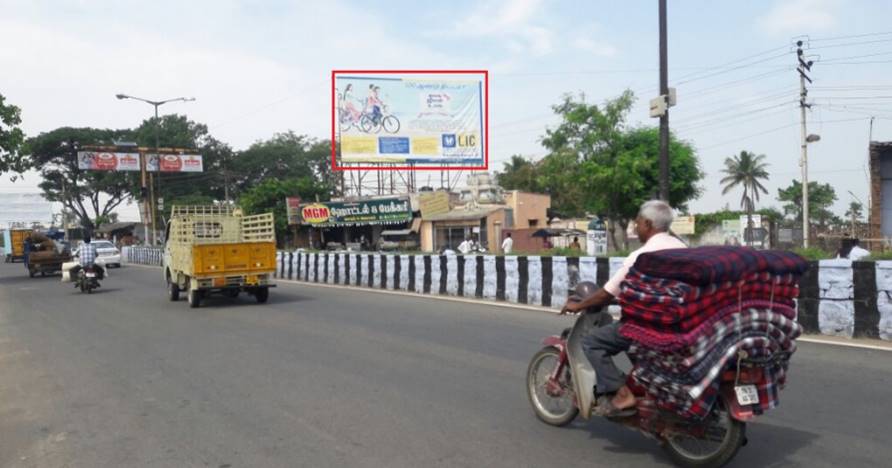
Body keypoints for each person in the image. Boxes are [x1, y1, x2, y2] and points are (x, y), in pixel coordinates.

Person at [561, 200, 686, 418]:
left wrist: (578, 305)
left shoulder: (641, 256)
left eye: (637, 223)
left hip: (647, 327)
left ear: (648, 224)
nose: (636, 227)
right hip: (679, 323)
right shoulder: (684, 249)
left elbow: (607, 293)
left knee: (591, 342)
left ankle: (621, 393)